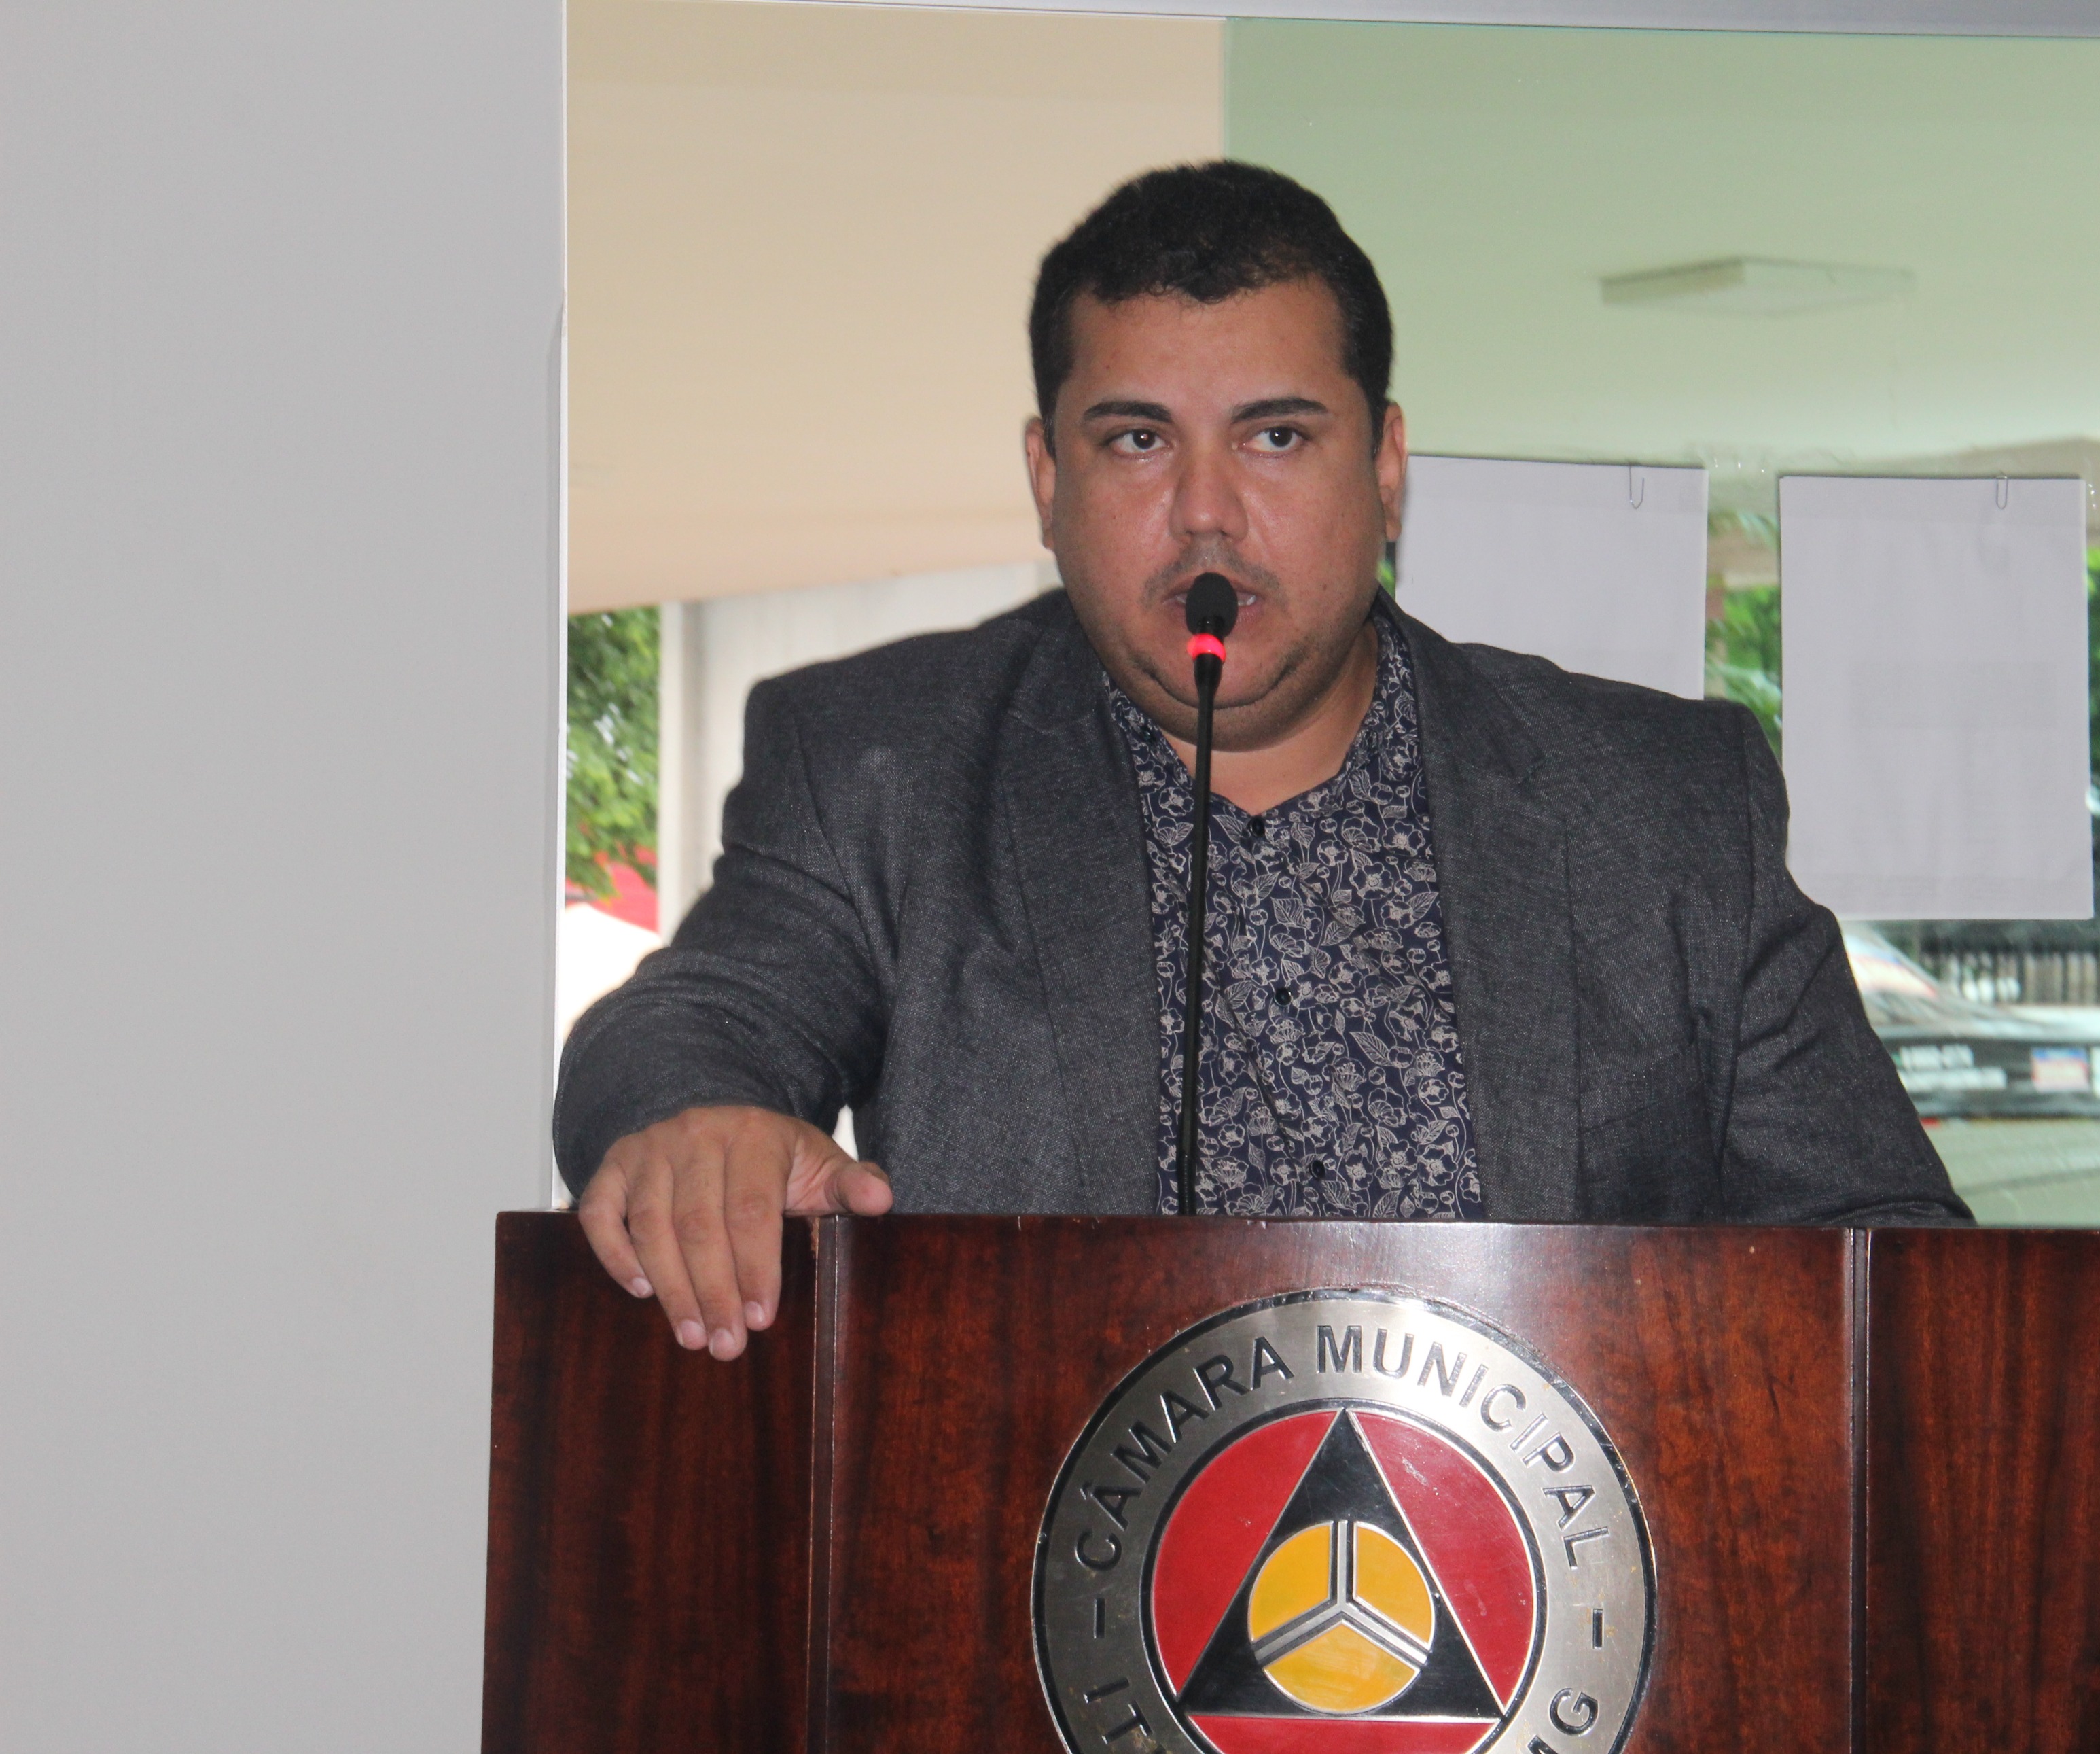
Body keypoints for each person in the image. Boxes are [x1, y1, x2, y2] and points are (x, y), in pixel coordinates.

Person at [558, 161, 1967, 1362]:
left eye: (1276, 436)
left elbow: (1891, 1257)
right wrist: (697, 1121)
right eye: (1137, 442)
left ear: (1388, 468)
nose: (1206, 515)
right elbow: (693, 1019)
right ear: (1048, 481)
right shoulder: (884, 768)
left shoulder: (1660, 802)